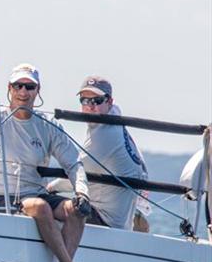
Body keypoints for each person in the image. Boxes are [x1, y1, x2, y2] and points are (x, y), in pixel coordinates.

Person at [0, 63, 110, 262]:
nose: (23, 91)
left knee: (77, 211)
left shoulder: (47, 124)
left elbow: (73, 162)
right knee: (40, 207)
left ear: (37, 90)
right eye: (18, 86)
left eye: (29, 86)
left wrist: (82, 193)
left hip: (35, 192)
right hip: (0, 194)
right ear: (9, 89)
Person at [45, 76, 148, 230]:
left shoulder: (105, 135)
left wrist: (48, 188)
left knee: (40, 206)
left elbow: (78, 173)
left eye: (97, 101)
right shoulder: (114, 117)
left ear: (109, 102)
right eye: (85, 101)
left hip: (105, 220)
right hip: (121, 219)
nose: (90, 106)